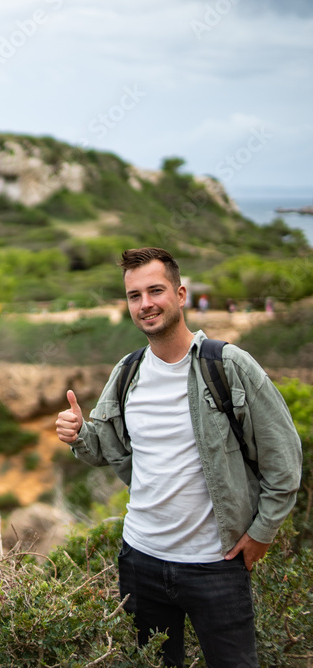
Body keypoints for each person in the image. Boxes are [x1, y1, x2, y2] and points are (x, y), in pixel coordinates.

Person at [55, 247, 302, 667]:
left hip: (216, 565)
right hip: (140, 560)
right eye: (135, 296)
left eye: (156, 291)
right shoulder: (128, 371)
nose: (145, 304)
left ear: (181, 294)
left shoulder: (228, 365)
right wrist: (79, 433)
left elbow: (285, 458)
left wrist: (262, 532)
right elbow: (104, 448)